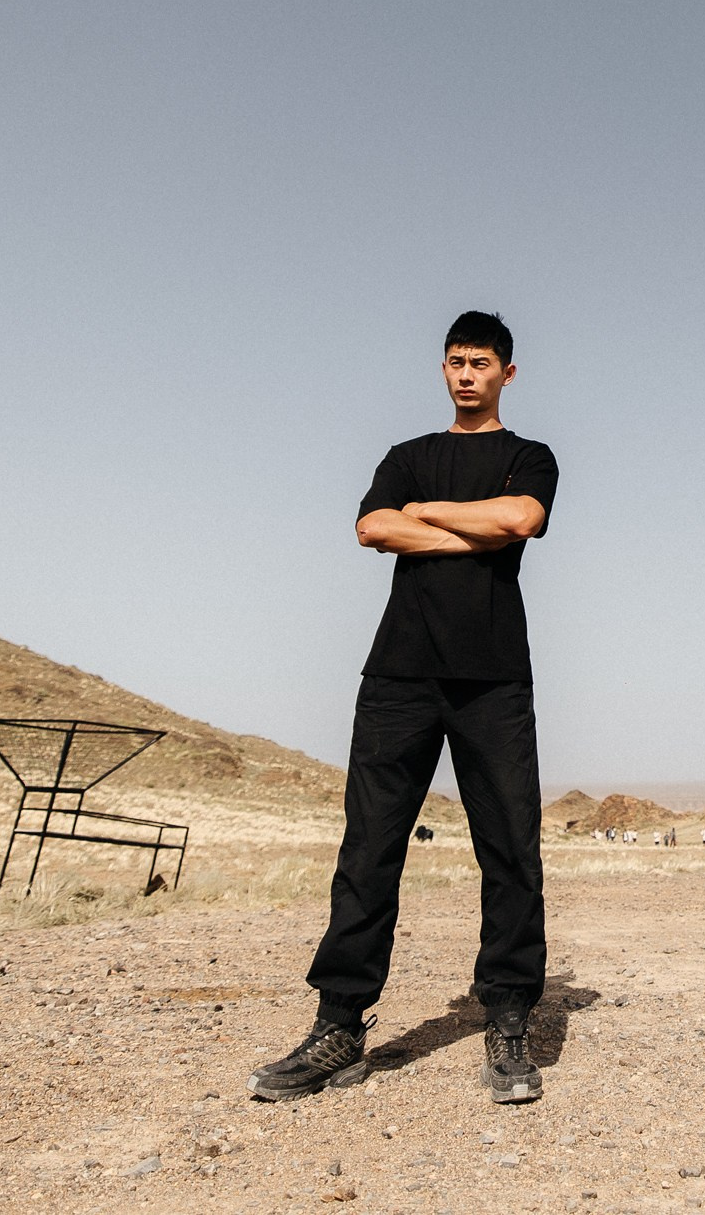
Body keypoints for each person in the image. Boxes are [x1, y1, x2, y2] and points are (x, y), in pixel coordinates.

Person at [249, 311, 560, 1107]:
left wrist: (425, 517)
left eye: (481, 362)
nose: (466, 373)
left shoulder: (530, 457)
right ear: (443, 369)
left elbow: (522, 517)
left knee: (511, 853)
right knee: (369, 850)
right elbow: (370, 526)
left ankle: (508, 1020)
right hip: (399, 677)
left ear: (507, 375)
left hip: (493, 680)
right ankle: (339, 1028)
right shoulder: (407, 456)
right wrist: (470, 529)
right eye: (455, 360)